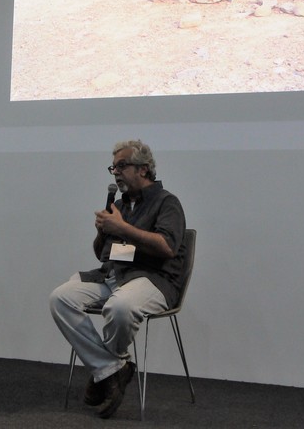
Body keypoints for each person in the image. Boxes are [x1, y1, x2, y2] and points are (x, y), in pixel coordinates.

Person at [50, 140, 187, 419]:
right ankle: (113, 368)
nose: (115, 172)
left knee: (120, 307)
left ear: (144, 169)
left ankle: (104, 371)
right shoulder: (120, 205)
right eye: (113, 167)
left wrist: (122, 228)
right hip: (113, 275)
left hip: (153, 279)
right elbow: (103, 254)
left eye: (122, 166)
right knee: (60, 299)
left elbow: (167, 247)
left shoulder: (167, 203)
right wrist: (102, 232)